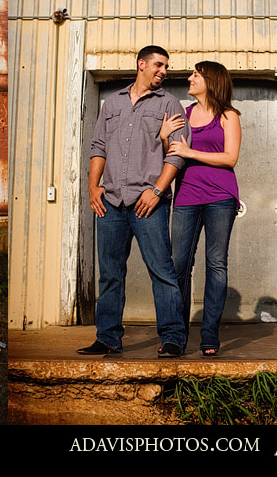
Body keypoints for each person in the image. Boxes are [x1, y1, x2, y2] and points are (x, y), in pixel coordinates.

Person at [77, 45, 190, 358]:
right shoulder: (112, 103)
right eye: (158, 65)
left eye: (166, 67)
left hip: (148, 203)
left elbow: (177, 154)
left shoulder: (169, 104)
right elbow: (98, 146)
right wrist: (92, 187)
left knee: (162, 271)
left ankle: (173, 338)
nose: (163, 71)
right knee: (110, 273)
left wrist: (157, 191)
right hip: (111, 201)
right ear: (141, 64)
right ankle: (108, 338)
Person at [160, 61, 241, 357]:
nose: (190, 78)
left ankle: (209, 336)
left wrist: (191, 152)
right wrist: (164, 137)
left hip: (221, 196)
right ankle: (175, 336)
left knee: (216, 264)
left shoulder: (229, 116)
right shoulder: (184, 114)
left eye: (196, 74)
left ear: (211, 80)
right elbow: (173, 153)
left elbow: (230, 158)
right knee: (179, 265)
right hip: (186, 196)